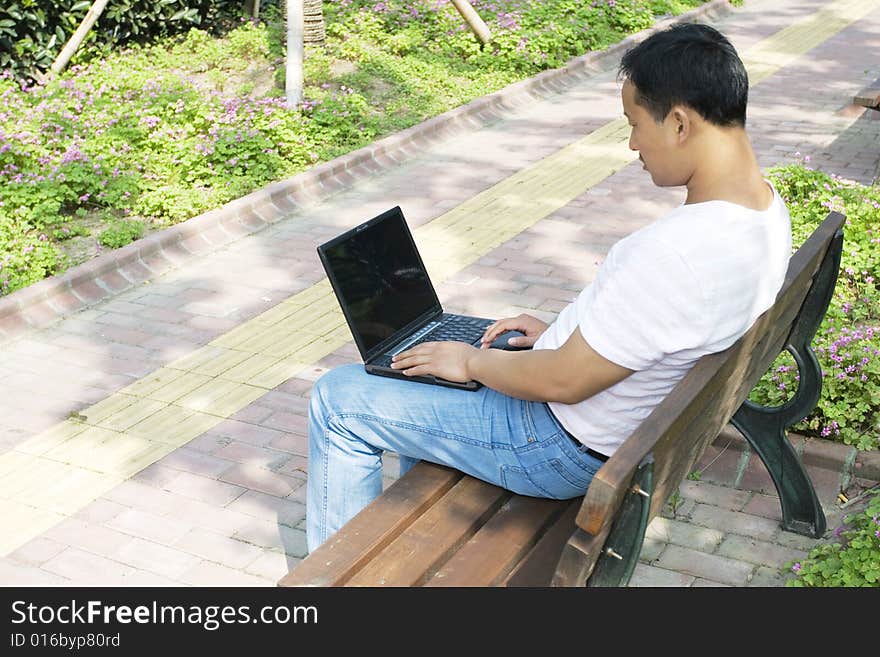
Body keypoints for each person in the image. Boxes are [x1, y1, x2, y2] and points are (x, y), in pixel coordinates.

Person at [305, 22, 792, 552]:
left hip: (556, 446)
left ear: (678, 123)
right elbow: (654, 328)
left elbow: (564, 382)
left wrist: (470, 364)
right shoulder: (765, 211)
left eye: (633, 124)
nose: (632, 145)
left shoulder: (675, 251)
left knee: (339, 399)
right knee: (423, 369)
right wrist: (560, 330)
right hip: (612, 428)